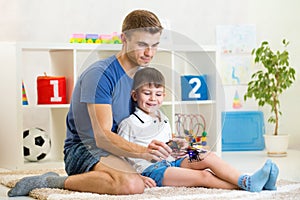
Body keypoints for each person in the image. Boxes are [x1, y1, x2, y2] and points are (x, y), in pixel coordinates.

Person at [8, 9, 171, 197]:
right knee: (131, 185)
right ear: (124, 39)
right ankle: (51, 181)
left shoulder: (141, 77)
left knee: (184, 166)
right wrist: (143, 153)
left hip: (121, 151)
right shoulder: (101, 74)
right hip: (85, 149)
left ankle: (122, 172)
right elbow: (101, 137)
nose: (149, 53)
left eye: (155, 45)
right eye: (142, 44)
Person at [118, 67, 279, 192]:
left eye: (158, 94)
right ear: (135, 95)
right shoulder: (128, 124)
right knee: (204, 176)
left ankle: (248, 180)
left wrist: (178, 145)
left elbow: (167, 144)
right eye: (147, 93)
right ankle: (249, 184)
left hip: (174, 159)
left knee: (208, 156)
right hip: (153, 170)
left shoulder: (163, 118)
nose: (153, 98)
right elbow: (119, 156)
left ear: (164, 95)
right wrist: (137, 177)